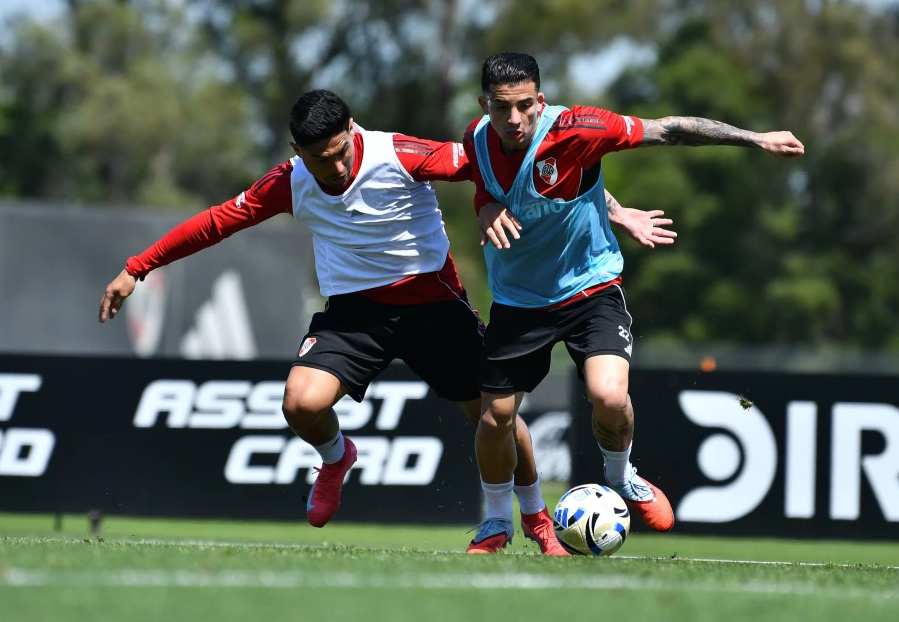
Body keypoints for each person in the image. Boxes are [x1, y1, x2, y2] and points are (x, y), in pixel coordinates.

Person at [99, 89, 673, 555]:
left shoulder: (399, 153)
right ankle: (336, 458)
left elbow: (519, 169)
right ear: (298, 151)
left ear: (353, 130)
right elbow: (216, 222)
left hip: (435, 306)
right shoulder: (290, 182)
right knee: (300, 403)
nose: (335, 167)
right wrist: (137, 267)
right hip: (355, 315)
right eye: (319, 159)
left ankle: (536, 521)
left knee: (494, 416)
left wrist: (611, 209)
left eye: (340, 151)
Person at [462, 52, 804, 553]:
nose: (513, 119)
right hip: (519, 301)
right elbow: (513, 187)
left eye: (524, 106)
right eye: (500, 107)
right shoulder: (475, 140)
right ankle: (497, 522)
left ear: (540, 100)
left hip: (592, 288)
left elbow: (669, 129)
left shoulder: (580, 128)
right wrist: (484, 204)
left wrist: (755, 138)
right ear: (483, 104)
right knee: (494, 418)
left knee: (609, 397)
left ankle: (621, 475)